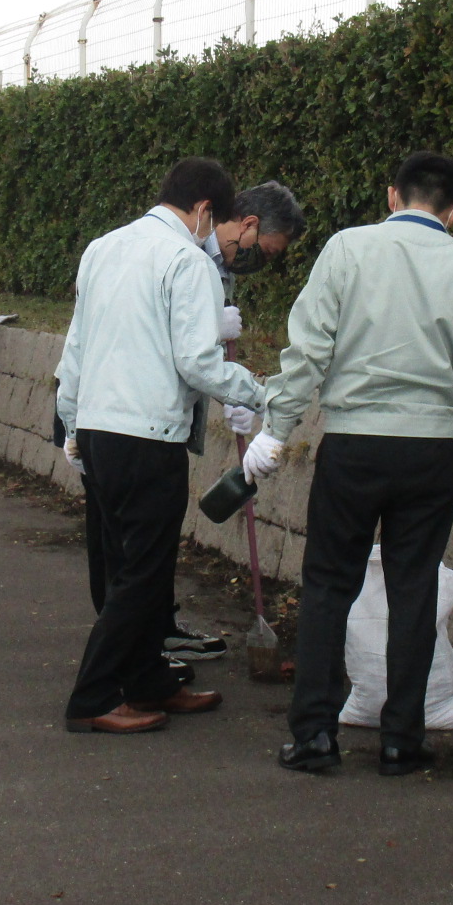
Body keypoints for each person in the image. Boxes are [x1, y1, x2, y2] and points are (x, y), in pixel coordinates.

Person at [246, 152, 453, 776]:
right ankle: (402, 738)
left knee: (327, 587)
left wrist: (276, 430)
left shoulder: (346, 250)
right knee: (414, 590)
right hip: (432, 451)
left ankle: (315, 733)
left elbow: (307, 351)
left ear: (392, 195)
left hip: (354, 445)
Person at [55, 157, 268, 734]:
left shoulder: (102, 247)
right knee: (143, 574)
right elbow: (198, 362)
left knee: (131, 565)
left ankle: (148, 682)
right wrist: (258, 392)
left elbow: (77, 341)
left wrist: (71, 424)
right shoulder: (185, 260)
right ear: (204, 210)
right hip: (148, 434)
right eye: (215, 221)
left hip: (100, 429)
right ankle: (93, 697)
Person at [156, 181, 309, 664]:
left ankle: (155, 628)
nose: (261, 262)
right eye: (264, 252)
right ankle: (139, 645)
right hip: (141, 414)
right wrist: (255, 394)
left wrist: (228, 399)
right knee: (142, 537)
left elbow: (205, 360)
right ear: (247, 224)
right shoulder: (179, 251)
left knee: (159, 530)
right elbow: (171, 339)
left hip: (168, 416)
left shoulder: (222, 266)